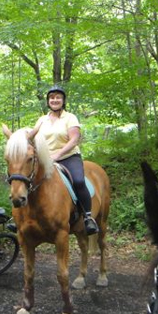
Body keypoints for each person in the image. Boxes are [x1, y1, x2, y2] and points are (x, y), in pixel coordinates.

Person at [32, 85, 99, 235]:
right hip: (46, 160)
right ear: (48, 101)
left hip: (68, 157)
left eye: (58, 97)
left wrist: (58, 154)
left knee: (78, 181)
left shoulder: (70, 117)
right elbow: (33, 138)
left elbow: (74, 139)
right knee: (26, 178)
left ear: (63, 100)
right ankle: (21, 217)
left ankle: (88, 217)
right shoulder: (42, 120)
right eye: (52, 97)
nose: (54, 100)